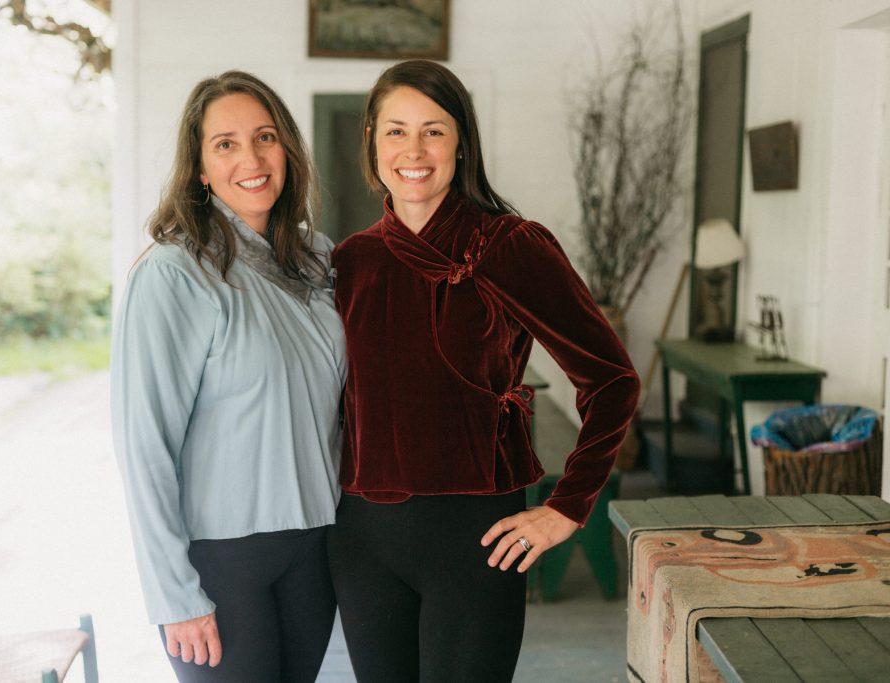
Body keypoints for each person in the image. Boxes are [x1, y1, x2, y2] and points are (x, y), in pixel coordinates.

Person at [327, 59, 641, 681]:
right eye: (395, 130)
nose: (413, 149)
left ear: (462, 141)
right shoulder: (349, 261)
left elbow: (612, 381)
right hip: (362, 538)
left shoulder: (510, 246)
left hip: (475, 538)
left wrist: (568, 506)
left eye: (433, 130)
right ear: (371, 139)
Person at [110, 71, 345, 682]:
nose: (252, 158)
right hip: (221, 562)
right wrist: (174, 596)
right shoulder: (174, 274)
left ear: (288, 150)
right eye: (226, 144)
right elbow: (145, 446)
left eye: (265, 137)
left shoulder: (316, 261)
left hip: (315, 548)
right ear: (199, 170)